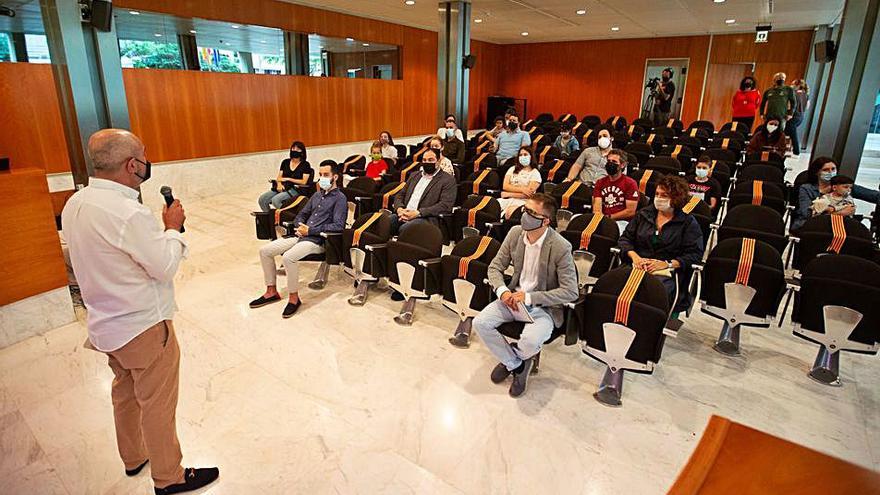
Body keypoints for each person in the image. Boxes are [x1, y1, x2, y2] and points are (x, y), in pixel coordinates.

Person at [61, 129, 219, 495]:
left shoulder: (76, 203)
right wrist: (173, 229)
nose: (146, 162)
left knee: (125, 393)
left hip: (105, 323)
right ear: (133, 165)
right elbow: (163, 266)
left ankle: (133, 457)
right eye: (144, 156)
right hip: (143, 325)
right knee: (157, 404)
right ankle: (170, 477)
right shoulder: (129, 213)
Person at [473, 194, 578, 397]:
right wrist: (502, 292)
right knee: (480, 323)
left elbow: (570, 291)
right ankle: (517, 364)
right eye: (525, 209)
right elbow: (495, 267)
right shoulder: (514, 233)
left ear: (545, 221)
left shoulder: (560, 246)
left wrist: (530, 298)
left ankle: (514, 358)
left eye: (531, 212)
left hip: (543, 308)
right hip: (511, 299)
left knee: (530, 341)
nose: (524, 215)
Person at [250, 161, 346, 318]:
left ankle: (294, 299)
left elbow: (338, 226)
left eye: (326, 175)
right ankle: (271, 291)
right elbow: (302, 214)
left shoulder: (340, 198)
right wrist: (299, 225)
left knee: (288, 257)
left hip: (317, 240)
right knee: (265, 251)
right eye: (320, 175)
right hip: (301, 235)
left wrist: (311, 230)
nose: (322, 178)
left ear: (335, 176)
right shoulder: (317, 195)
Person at [618, 175, 703, 316]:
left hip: (666, 272)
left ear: (676, 198)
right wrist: (635, 257)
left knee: (651, 295)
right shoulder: (643, 214)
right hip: (637, 264)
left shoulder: (688, 223)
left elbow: (694, 254)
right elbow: (625, 239)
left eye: (664, 195)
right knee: (613, 284)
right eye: (657, 194)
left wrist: (667, 264)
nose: (658, 198)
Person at [792, 156, 880, 231]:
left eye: (833, 169)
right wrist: (840, 213)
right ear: (817, 172)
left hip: (840, 227)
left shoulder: (844, 187)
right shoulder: (807, 188)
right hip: (812, 227)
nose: (830, 173)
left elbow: (875, 196)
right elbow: (806, 214)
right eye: (826, 170)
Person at [391, 148, 456, 234]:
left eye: (431, 160)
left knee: (405, 228)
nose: (427, 162)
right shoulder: (414, 175)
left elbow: (445, 205)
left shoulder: (448, 180)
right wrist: (399, 209)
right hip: (404, 213)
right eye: (424, 160)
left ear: (438, 161)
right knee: (384, 222)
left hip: (426, 217)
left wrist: (418, 213)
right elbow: (400, 195)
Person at [258, 141, 311, 212]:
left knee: (276, 200)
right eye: (293, 148)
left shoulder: (305, 165)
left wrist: (289, 179)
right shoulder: (285, 162)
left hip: (295, 189)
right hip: (283, 187)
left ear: (302, 152)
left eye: (298, 149)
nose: (295, 150)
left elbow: (303, 182)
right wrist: (279, 184)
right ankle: (270, 218)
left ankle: (288, 216)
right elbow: (279, 178)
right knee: (262, 199)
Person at [591, 149, 639, 223]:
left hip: (621, 221)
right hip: (602, 219)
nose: (610, 164)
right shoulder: (600, 182)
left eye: (614, 162)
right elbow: (597, 206)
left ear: (622, 165)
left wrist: (609, 217)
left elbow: (630, 211)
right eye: (609, 161)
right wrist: (599, 219)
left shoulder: (630, 183)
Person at [498, 147, 542, 219]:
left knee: (508, 213)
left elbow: (528, 194)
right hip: (508, 199)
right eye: (520, 155)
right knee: (493, 205)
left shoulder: (535, 173)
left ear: (531, 156)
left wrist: (508, 193)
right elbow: (505, 186)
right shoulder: (512, 168)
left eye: (525, 154)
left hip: (523, 202)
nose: (522, 157)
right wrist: (522, 189)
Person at [786, 79, 810, 156]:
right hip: (800, 116)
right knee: (790, 133)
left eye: (793, 84)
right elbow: (807, 107)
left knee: (792, 134)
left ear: (798, 85)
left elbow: (790, 105)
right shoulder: (806, 95)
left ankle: (796, 151)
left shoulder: (794, 94)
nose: (791, 86)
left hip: (793, 116)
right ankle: (791, 149)